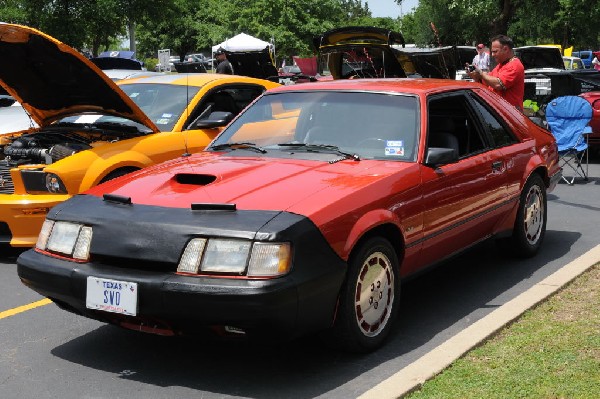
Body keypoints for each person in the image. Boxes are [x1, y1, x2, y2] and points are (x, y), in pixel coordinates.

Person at [467, 35, 524, 110]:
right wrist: (477, 77)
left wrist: (480, 73)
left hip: (511, 114)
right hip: (500, 111)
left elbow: (498, 84)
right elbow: (488, 82)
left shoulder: (514, 65)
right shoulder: (501, 65)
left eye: (495, 51)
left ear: (506, 49)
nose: (492, 55)